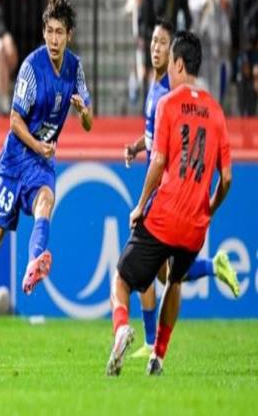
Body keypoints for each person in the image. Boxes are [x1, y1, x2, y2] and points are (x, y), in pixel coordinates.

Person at [0, 0, 93, 367]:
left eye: (60, 32)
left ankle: (35, 262)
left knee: (47, 200)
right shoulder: (32, 68)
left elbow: (88, 122)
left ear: (69, 35)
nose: (53, 39)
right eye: (49, 31)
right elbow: (14, 121)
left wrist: (83, 112)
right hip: (17, 161)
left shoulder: (75, 69)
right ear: (44, 31)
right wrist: (39, 145)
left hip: (41, 165)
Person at [107, 30, 232, 376]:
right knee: (174, 280)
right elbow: (227, 179)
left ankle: (121, 330)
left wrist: (140, 206)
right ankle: (158, 357)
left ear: (178, 64)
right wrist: (210, 209)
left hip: (164, 217)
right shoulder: (217, 111)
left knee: (121, 280)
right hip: (195, 227)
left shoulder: (168, 103)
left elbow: (159, 162)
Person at [0, 0, 47, 114]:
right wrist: (6, 36)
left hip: (34, 46)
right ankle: (6, 105)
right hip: (13, 49)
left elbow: (47, 19)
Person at [138, 0, 192, 100]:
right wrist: (156, 38)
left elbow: (187, 20)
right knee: (154, 94)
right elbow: (142, 23)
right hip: (155, 51)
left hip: (173, 51)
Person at [188, 0, 231, 102]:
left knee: (216, 99)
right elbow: (192, 31)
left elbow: (226, 30)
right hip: (201, 59)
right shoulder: (195, 0)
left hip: (219, 59)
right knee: (201, 98)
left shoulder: (223, 0)